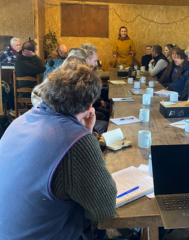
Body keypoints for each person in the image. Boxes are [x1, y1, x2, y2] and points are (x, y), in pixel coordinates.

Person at [0, 61, 117, 240]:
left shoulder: (20, 121)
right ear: (88, 107)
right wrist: (85, 134)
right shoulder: (76, 142)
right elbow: (104, 211)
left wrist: (84, 130)